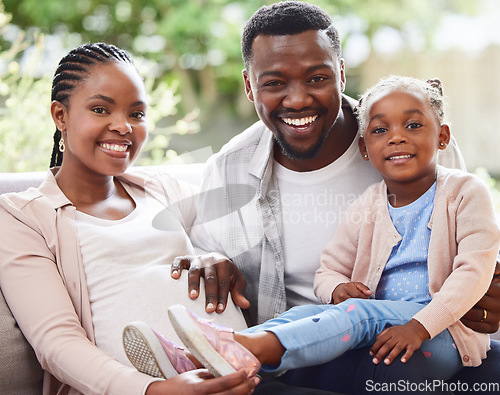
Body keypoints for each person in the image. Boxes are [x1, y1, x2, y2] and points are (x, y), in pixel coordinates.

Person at [173, 1, 500, 393]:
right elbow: (218, 263)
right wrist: (208, 257)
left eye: (317, 78)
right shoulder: (229, 170)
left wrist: (488, 298)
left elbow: (477, 259)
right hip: (310, 356)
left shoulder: (417, 143)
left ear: (342, 74)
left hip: (422, 337)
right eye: (274, 83)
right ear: (248, 85)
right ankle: (217, 355)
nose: (297, 100)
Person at [0, 42, 259, 395]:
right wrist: (154, 391)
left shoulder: (161, 190)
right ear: (60, 115)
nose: (123, 127)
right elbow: (56, 343)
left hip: (245, 378)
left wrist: (215, 254)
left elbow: (244, 226)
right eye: (101, 109)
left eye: (136, 114)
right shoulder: (22, 217)